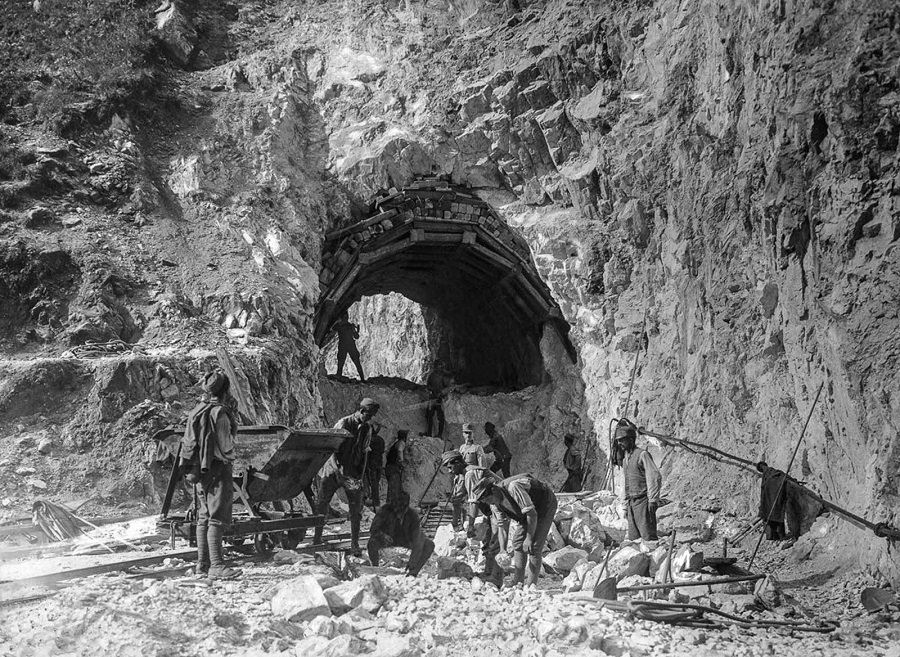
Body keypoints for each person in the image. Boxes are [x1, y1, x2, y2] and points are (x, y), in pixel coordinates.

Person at [180, 370, 241, 580]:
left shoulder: (197, 410)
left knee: (204, 516)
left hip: (199, 471)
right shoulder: (220, 413)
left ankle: (202, 565)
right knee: (217, 517)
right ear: (225, 390)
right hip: (217, 468)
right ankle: (217, 566)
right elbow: (226, 447)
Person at [314, 397, 380, 554]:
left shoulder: (367, 429)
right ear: (361, 411)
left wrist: (360, 477)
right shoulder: (344, 423)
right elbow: (332, 448)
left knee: (356, 509)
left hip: (352, 472)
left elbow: (364, 453)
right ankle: (317, 538)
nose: (369, 419)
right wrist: (337, 470)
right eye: (368, 415)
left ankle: (354, 544)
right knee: (322, 504)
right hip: (332, 471)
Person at [469, 472, 558, 587]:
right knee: (517, 542)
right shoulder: (494, 504)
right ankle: (518, 583)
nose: (487, 502)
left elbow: (532, 514)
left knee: (534, 547)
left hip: (544, 504)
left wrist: (529, 538)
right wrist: (502, 549)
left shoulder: (514, 488)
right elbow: (502, 526)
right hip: (526, 513)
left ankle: (531, 586)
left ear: (494, 491)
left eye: (487, 498)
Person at [613, 421, 661, 543]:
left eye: (622, 440)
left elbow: (653, 477)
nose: (619, 443)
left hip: (643, 502)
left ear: (630, 439)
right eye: (618, 441)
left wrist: (653, 499)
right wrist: (624, 505)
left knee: (648, 538)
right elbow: (625, 483)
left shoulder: (642, 455)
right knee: (634, 540)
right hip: (631, 503)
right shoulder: (625, 460)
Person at [367, 491, 434, 577]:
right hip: (387, 539)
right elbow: (373, 529)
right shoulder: (384, 511)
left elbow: (417, 539)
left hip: (405, 539)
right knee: (372, 543)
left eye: (403, 508)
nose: (399, 511)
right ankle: (375, 568)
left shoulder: (412, 515)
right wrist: (383, 535)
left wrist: (413, 560)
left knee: (429, 544)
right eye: (397, 508)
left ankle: (413, 573)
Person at [464, 467, 509, 588]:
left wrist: (471, 525)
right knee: (490, 541)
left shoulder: (469, 475)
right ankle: (489, 572)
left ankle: (496, 577)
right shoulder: (462, 476)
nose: (449, 471)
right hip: (492, 508)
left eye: (451, 467)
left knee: (495, 541)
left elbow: (474, 502)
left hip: (498, 506)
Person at [756, 461, 803, 541]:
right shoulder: (773, 474)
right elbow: (785, 477)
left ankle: (780, 536)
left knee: (777, 515)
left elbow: (764, 493)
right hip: (779, 499)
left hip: (777, 500)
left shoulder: (767, 477)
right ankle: (780, 535)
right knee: (778, 514)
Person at [334, 310, 365, 381]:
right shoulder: (348, 326)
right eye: (345, 317)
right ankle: (362, 379)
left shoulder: (342, 326)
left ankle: (339, 376)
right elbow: (356, 336)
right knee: (353, 362)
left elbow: (356, 336)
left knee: (342, 362)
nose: (346, 318)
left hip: (345, 346)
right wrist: (355, 330)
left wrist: (354, 330)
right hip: (349, 346)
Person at [384, 429, 408, 505]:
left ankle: (391, 504)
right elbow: (400, 450)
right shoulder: (401, 443)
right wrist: (401, 461)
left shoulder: (395, 443)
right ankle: (391, 505)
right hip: (393, 467)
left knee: (393, 487)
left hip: (389, 466)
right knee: (394, 487)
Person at [366, 424, 385, 509]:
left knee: (373, 484)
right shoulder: (381, 439)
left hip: (371, 464)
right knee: (376, 483)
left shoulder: (369, 440)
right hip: (379, 463)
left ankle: (376, 504)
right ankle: (374, 501)